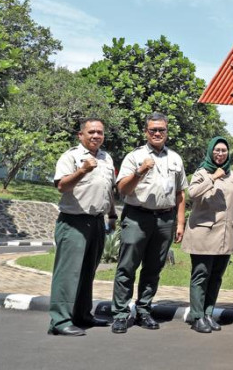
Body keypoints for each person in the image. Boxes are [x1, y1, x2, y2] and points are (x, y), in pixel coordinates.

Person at [110, 112, 187, 334]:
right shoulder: (134, 157)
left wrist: (180, 223)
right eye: (152, 129)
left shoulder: (175, 158)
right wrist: (140, 171)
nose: (157, 133)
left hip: (165, 219)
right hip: (138, 216)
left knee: (153, 268)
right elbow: (122, 190)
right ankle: (121, 314)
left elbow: (181, 193)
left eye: (161, 130)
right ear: (146, 132)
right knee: (127, 266)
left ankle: (144, 310)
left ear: (167, 132)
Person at [47, 117, 116, 336]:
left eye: (100, 132)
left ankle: (82, 314)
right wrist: (82, 171)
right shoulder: (71, 157)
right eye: (91, 132)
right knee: (68, 274)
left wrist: (112, 215)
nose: (96, 136)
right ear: (81, 135)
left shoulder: (107, 158)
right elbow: (61, 186)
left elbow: (108, 189)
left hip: (97, 221)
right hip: (74, 222)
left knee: (88, 272)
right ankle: (59, 321)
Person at [181, 136, 233, 334]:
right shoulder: (201, 172)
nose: (221, 154)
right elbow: (193, 193)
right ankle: (197, 316)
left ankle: (208, 314)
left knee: (216, 277)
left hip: (225, 234)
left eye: (224, 150)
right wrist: (213, 177)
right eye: (217, 150)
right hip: (204, 233)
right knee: (201, 275)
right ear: (210, 152)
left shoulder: (232, 175)